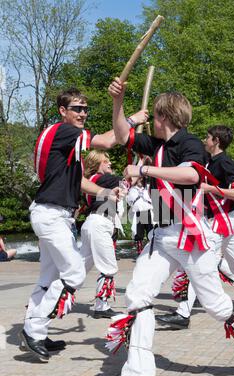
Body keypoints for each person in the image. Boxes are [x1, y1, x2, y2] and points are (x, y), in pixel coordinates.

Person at [100, 79, 234, 376]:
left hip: (190, 235)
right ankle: (139, 374)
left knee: (215, 304)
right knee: (138, 294)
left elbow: (190, 175)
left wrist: (144, 172)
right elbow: (120, 135)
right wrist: (118, 102)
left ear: (163, 117)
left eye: (156, 117)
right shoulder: (156, 146)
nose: (154, 122)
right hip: (162, 235)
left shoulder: (190, 144)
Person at [20, 87, 148, 361]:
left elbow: (78, 182)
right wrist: (132, 120)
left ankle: (36, 331)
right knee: (75, 273)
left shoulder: (66, 142)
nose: (83, 113)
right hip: (52, 215)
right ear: (63, 111)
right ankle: (34, 329)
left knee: (48, 278)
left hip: (56, 214)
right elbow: (106, 141)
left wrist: (104, 193)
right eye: (77, 108)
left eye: (85, 109)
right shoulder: (65, 132)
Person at [158, 130, 234, 330]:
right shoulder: (209, 159)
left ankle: (183, 312)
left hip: (222, 221)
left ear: (216, 141)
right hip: (223, 220)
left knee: (198, 259)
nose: (204, 140)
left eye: (208, 137)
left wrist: (211, 189)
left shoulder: (223, 162)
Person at [80, 150, 124, 319]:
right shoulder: (99, 179)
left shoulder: (96, 181)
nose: (110, 163)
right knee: (108, 266)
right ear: (96, 164)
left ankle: (51, 296)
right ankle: (101, 307)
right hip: (99, 224)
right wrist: (141, 166)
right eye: (106, 161)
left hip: (95, 224)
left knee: (79, 269)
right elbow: (126, 181)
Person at [126, 158, 154, 255]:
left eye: (141, 178)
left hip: (148, 212)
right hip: (139, 212)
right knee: (139, 233)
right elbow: (129, 200)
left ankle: (151, 250)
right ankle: (140, 250)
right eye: (138, 178)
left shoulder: (148, 187)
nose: (139, 179)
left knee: (151, 231)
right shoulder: (132, 189)